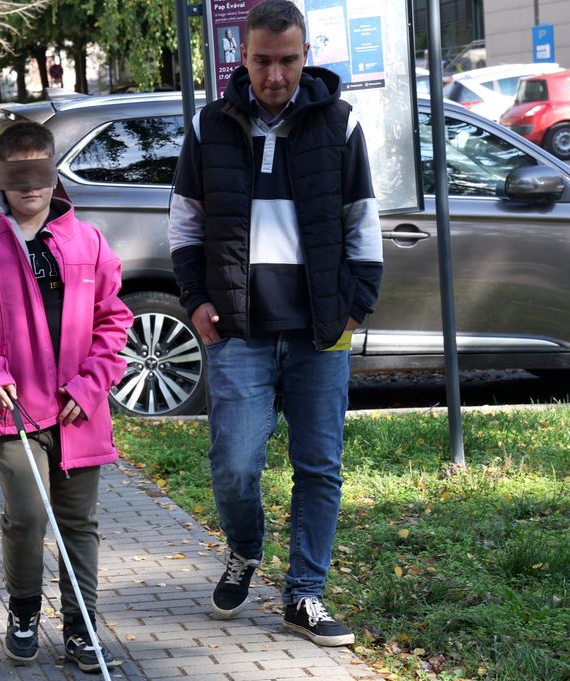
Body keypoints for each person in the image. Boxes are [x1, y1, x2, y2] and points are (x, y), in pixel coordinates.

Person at [167, 0, 383, 647]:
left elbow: (362, 223)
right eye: (263, 60)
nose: (276, 75)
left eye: (288, 60)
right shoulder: (210, 127)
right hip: (239, 327)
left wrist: (355, 305)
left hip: (321, 329)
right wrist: (197, 301)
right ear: (243, 56)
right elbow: (185, 224)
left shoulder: (339, 125)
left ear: (304, 55)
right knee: (234, 462)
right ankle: (245, 548)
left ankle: (305, 596)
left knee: (319, 465)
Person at [0, 121, 133, 671]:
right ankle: (24, 609)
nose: (31, 187)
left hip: (80, 410)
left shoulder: (88, 241)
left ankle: (81, 629)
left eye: (40, 173)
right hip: (14, 409)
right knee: (27, 515)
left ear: (54, 174)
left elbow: (113, 321)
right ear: (1, 179)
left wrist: (92, 382)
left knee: (79, 522)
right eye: (17, 176)